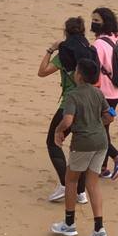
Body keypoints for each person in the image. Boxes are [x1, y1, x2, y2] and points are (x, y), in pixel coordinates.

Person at [50, 59, 113, 236]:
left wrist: (58, 130)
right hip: (101, 142)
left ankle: (69, 223)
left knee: (71, 180)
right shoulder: (98, 93)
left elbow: (68, 120)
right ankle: (99, 228)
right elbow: (109, 117)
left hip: (82, 143)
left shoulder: (73, 95)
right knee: (92, 184)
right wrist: (96, 124)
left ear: (79, 75)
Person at [38, 18, 97, 204]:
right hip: (89, 102)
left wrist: (50, 50)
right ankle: (80, 191)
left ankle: (65, 184)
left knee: (53, 142)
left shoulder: (64, 54)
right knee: (78, 147)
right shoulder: (89, 51)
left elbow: (42, 71)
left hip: (70, 104)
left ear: (66, 32)